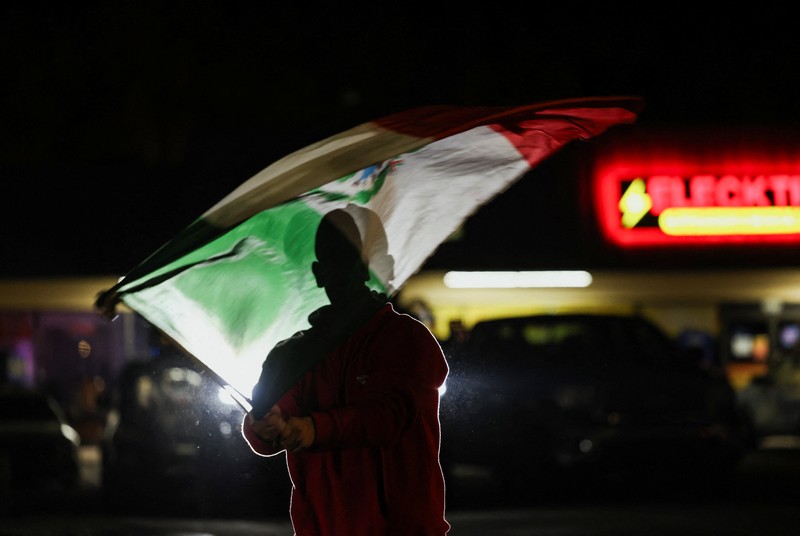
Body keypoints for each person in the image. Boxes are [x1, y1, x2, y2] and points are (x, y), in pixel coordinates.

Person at [242, 207, 450, 535]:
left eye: (348, 259)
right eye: (332, 261)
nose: (342, 273)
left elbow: (388, 417)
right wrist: (264, 424)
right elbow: (266, 432)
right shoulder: (292, 354)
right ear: (318, 272)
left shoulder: (405, 338)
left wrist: (312, 428)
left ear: (365, 268)